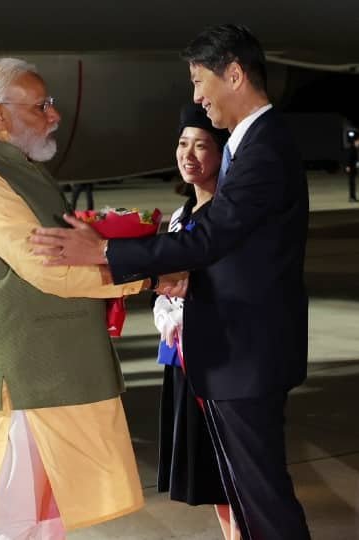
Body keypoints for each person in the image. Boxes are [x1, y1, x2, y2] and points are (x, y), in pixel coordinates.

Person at [30, 24, 311, 540]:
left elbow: (211, 238)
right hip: (236, 352)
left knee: (263, 501)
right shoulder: (249, 146)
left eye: (200, 81)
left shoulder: (264, 149)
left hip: (247, 355)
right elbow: (227, 247)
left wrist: (107, 252)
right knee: (248, 499)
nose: (197, 96)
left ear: (234, 74)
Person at [0, 58, 180, 539]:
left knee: (47, 520)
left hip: (50, 374)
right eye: (41, 106)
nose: (54, 115)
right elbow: (48, 267)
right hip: (23, 379)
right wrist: (147, 277)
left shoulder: (17, 169)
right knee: (13, 522)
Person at [154, 103, 240, 540]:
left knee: (232, 475)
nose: (188, 155)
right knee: (209, 477)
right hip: (180, 360)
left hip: (215, 358)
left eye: (202, 145)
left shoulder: (226, 217)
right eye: (183, 143)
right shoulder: (180, 217)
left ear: (222, 154)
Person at [345, 134, 359, 202]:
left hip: (353, 168)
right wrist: (348, 166)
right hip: (351, 168)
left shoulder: (354, 148)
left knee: (352, 184)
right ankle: (352, 198)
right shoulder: (352, 148)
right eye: (358, 141)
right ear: (355, 142)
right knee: (352, 184)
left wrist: (357, 163)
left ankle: (353, 197)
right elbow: (349, 158)